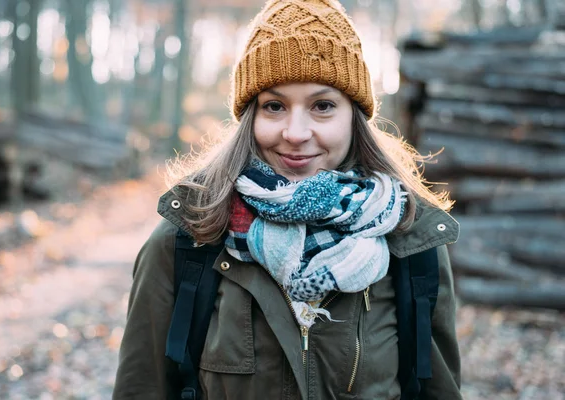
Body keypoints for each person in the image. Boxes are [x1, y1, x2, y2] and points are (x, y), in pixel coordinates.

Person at [113, 0, 462, 399]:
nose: (296, 132)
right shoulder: (186, 240)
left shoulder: (412, 241)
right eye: (274, 106)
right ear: (250, 118)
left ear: (354, 116)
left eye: (323, 106)